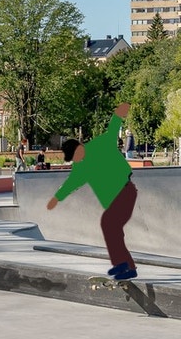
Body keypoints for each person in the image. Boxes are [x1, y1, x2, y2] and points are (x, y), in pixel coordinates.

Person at [45, 104, 138, 280]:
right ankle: (126, 266)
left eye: (75, 156)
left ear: (80, 147)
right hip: (114, 200)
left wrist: (118, 115)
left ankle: (124, 265)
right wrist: (57, 198)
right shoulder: (81, 167)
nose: (76, 160)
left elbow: (112, 131)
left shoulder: (101, 144)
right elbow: (71, 184)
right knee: (112, 227)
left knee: (108, 222)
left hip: (126, 192)